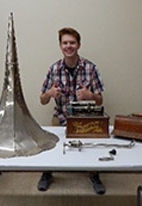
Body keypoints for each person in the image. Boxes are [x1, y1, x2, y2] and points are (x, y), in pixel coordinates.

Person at [38, 27, 106, 194]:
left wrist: (90, 95)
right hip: (61, 116)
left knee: (91, 147)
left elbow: (100, 100)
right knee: (51, 145)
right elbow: (42, 100)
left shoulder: (91, 68)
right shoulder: (53, 69)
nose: (69, 46)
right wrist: (49, 93)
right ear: (60, 46)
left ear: (79, 45)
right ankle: (47, 173)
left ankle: (94, 174)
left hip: (85, 118)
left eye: (72, 42)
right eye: (65, 43)